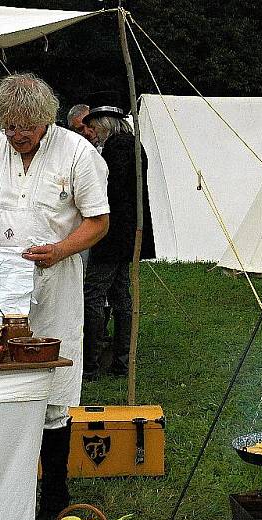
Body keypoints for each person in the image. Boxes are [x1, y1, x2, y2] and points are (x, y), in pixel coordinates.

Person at [0, 73, 110, 520]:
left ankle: (54, 492)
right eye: (9, 126)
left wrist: (61, 248)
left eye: (26, 127)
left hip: (54, 280)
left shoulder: (76, 152)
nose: (17, 135)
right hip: (1, 280)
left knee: (54, 387)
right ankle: (1, 487)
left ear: (46, 119)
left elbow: (98, 221)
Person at [82, 91, 155, 379]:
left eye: (95, 124)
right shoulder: (131, 145)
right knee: (120, 296)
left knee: (95, 295)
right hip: (126, 233)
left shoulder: (118, 148)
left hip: (112, 234)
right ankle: (121, 361)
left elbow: (108, 193)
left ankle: (91, 363)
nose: (92, 132)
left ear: (105, 123)